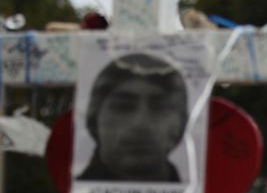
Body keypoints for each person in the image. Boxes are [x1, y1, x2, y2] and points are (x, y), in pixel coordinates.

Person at [77, 53, 188, 183]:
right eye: (122, 106)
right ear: (94, 118)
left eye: (160, 107)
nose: (140, 124)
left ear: (181, 122)